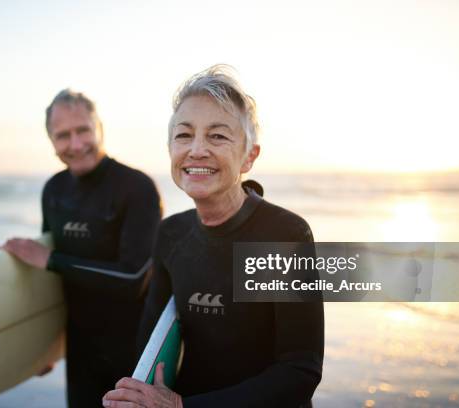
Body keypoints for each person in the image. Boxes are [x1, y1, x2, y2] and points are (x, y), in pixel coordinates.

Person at [103, 65, 324, 408]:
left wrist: (180, 406)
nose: (197, 150)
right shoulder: (171, 233)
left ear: (249, 157)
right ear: (170, 150)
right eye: (184, 135)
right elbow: (152, 344)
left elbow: (300, 371)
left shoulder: (283, 235)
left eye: (217, 136)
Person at [1, 89, 162, 407]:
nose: (75, 144)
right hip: (80, 355)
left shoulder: (137, 188)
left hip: (134, 355)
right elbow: (52, 284)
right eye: (63, 136)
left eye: (83, 130)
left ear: (99, 128)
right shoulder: (54, 190)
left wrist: (51, 259)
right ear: (51, 141)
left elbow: (133, 280)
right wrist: (44, 347)